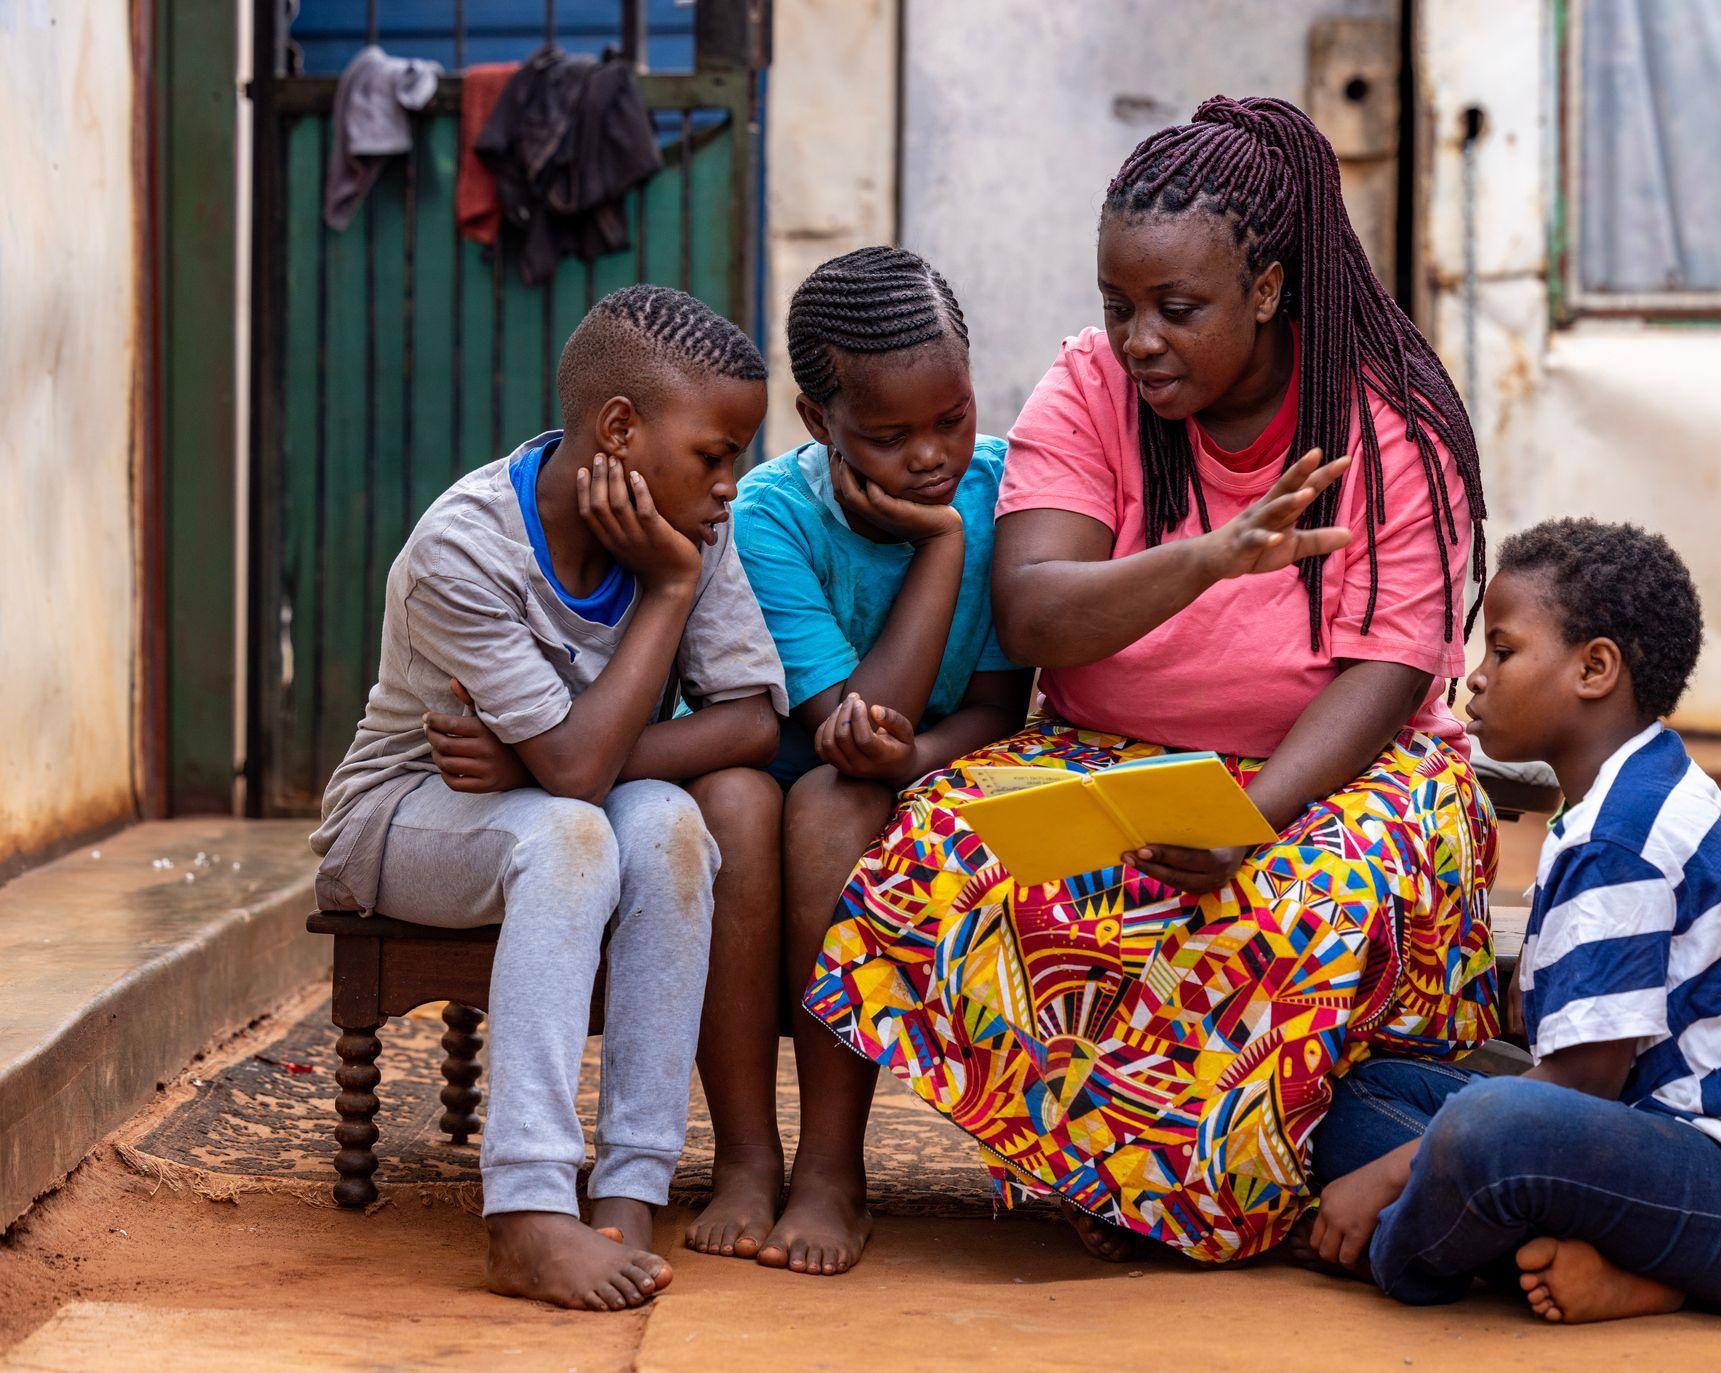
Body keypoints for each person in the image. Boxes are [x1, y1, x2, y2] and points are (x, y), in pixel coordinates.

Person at [803, 96, 1498, 1265]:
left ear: (1266, 291)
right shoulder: (1087, 390)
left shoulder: (1390, 420)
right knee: (943, 849)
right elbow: (1034, 609)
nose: (1138, 339)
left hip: (1342, 774)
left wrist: (1252, 814)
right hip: (1109, 761)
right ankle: (1110, 1179)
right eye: (1116, 306)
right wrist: (1207, 560)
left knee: (1286, 910)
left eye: (1176, 309)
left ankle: (1193, 1200)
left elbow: (1387, 669)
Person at [309, 285, 789, 1310]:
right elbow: (574, 777)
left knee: (666, 824)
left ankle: (627, 1187)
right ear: (619, 428)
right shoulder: (466, 547)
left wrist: (542, 759)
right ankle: (525, 1210)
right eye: (714, 454)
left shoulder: (690, 529)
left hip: (538, 795)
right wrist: (661, 597)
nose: (728, 486)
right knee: (573, 832)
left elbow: (751, 717)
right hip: (404, 810)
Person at [1303, 518, 1721, 1323]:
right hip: (1665, 1147)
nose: (1475, 679)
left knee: (1487, 1126)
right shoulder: (1618, 799)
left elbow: (1580, 1083)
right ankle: (1567, 1257)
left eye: (1503, 652)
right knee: (1366, 1092)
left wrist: (1383, 1179)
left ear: (1595, 668)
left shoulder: (1625, 835)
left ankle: (1403, 1251)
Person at [697, 246, 1031, 1275]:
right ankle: (746, 1153)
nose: (931, 457)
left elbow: (991, 707)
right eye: (887, 438)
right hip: (789, 755)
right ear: (815, 422)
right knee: (736, 809)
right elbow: (843, 717)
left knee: (837, 814)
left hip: (920, 773)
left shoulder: (1008, 488)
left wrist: (913, 753)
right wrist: (937, 547)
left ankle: (833, 1165)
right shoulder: (771, 516)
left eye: (951, 419)